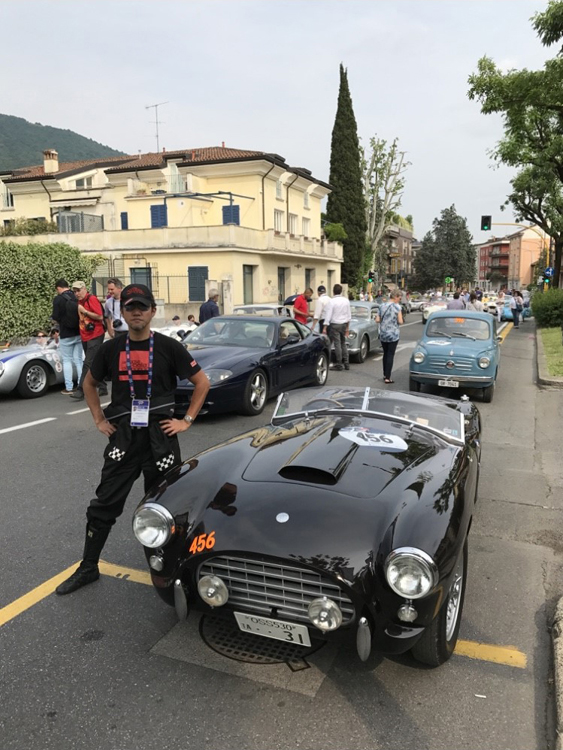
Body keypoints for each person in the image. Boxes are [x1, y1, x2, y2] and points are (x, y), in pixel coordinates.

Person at [55, 283, 210, 596]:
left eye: (142, 307)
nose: (136, 312)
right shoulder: (111, 349)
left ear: (152, 311)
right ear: (122, 313)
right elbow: (89, 384)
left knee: (168, 504)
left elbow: (202, 382)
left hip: (161, 437)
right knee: (104, 504)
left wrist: (186, 421)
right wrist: (99, 420)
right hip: (123, 438)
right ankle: (88, 566)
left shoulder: (169, 347)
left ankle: (172, 570)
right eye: (130, 307)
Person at [69, 281, 107, 400]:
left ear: (85, 289)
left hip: (95, 335)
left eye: (79, 290)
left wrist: (85, 311)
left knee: (88, 363)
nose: (77, 293)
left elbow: (100, 316)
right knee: (94, 362)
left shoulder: (92, 299)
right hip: (85, 335)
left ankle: (81, 390)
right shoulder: (79, 302)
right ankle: (103, 387)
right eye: (75, 291)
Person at [52, 278, 83, 394]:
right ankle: (81, 385)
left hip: (65, 333)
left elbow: (55, 316)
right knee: (79, 360)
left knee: (67, 360)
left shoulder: (58, 299)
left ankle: (69, 387)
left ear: (58, 288)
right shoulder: (76, 296)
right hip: (79, 332)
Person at [376, 291, 404, 384]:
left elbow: (377, 320)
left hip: (383, 333)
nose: (400, 300)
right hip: (393, 334)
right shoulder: (397, 307)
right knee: (390, 355)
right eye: (399, 298)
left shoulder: (381, 306)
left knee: (385, 353)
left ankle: (385, 374)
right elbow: (400, 321)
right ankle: (388, 377)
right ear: (395, 297)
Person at [323, 283, 351, 371]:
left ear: (333, 291)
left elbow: (328, 315)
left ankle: (339, 364)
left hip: (335, 324)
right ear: (341, 291)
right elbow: (349, 316)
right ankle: (346, 363)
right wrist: (347, 328)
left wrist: (325, 327)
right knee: (343, 343)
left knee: (337, 344)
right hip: (343, 324)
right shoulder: (346, 301)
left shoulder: (331, 301)